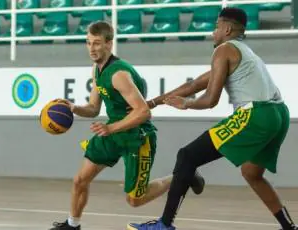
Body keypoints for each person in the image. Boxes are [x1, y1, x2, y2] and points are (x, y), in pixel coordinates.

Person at [127, 7, 297, 230]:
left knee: (187, 156)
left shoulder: (223, 50)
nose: (213, 31)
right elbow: (194, 85)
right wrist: (153, 102)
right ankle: (289, 227)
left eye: (216, 26)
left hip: (256, 114)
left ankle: (164, 225)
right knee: (252, 173)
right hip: (279, 114)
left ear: (227, 29)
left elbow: (209, 100)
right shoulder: (244, 52)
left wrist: (186, 104)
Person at [49, 21, 204, 230]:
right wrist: (74, 107)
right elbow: (94, 108)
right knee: (80, 180)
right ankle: (72, 224)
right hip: (113, 132)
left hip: (136, 136)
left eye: (96, 43)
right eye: (88, 43)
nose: (92, 48)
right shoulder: (97, 70)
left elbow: (143, 112)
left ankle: (183, 176)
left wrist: (110, 128)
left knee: (135, 200)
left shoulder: (119, 74)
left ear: (109, 44)